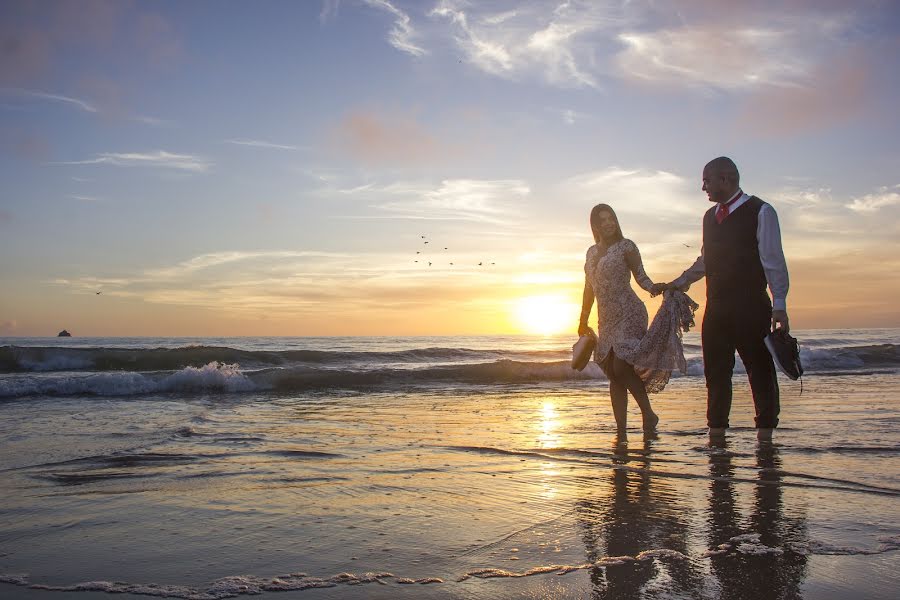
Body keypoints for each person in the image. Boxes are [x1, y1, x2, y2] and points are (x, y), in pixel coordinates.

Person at [669, 157, 789, 442]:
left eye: (706, 180)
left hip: (752, 306)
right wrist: (680, 282)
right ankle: (717, 434)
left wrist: (780, 304)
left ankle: (765, 437)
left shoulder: (761, 211)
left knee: (759, 369)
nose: (703, 187)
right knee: (716, 372)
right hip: (717, 307)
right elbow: (706, 259)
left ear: (726, 179)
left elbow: (773, 261)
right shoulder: (709, 218)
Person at [578, 204, 668, 432]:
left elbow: (641, 277)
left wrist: (655, 288)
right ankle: (621, 430)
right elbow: (589, 287)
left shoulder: (626, 246)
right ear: (595, 225)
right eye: (603, 220)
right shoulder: (590, 252)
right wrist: (583, 318)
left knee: (621, 367)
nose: (609, 223)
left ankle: (648, 415)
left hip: (630, 312)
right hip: (606, 319)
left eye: (612, 219)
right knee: (613, 374)